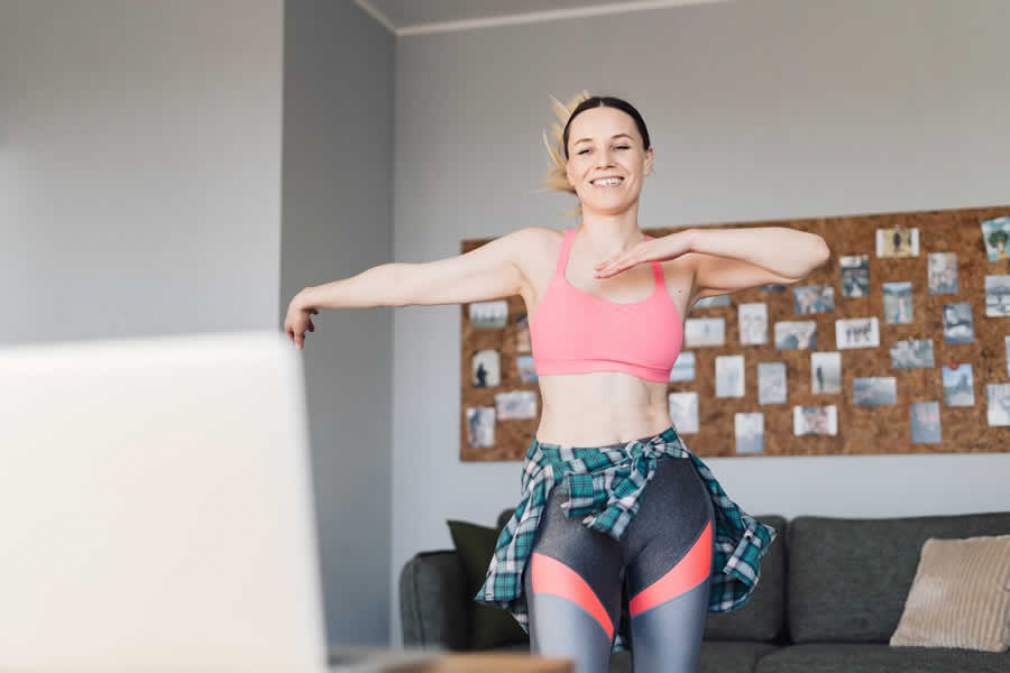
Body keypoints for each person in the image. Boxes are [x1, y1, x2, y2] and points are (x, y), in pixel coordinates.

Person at [283, 92, 831, 673]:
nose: (605, 160)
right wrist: (314, 294)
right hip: (567, 495)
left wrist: (690, 239)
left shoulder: (681, 264)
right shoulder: (536, 254)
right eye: (586, 150)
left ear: (647, 159)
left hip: (667, 495)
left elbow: (810, 254)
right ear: (570, 170)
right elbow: (413, 283)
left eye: (621, 146)